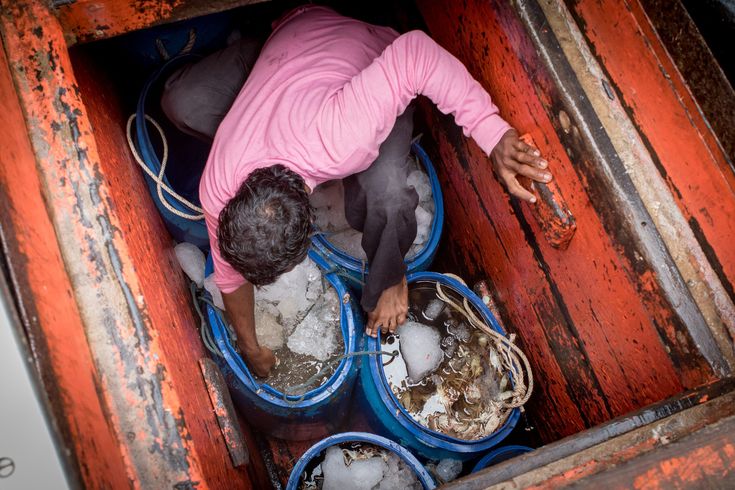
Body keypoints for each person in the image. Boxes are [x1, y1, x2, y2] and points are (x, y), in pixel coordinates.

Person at [161, 5, 551, 377]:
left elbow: (415, 53)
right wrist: (250, 347)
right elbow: (230, 276)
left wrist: (491, 130)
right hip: (292, 43)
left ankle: (390, 277)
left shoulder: (339, 140)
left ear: (309, 222)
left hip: (368, 62)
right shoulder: (219, 184)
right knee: (182, 102)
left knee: (386, 194)